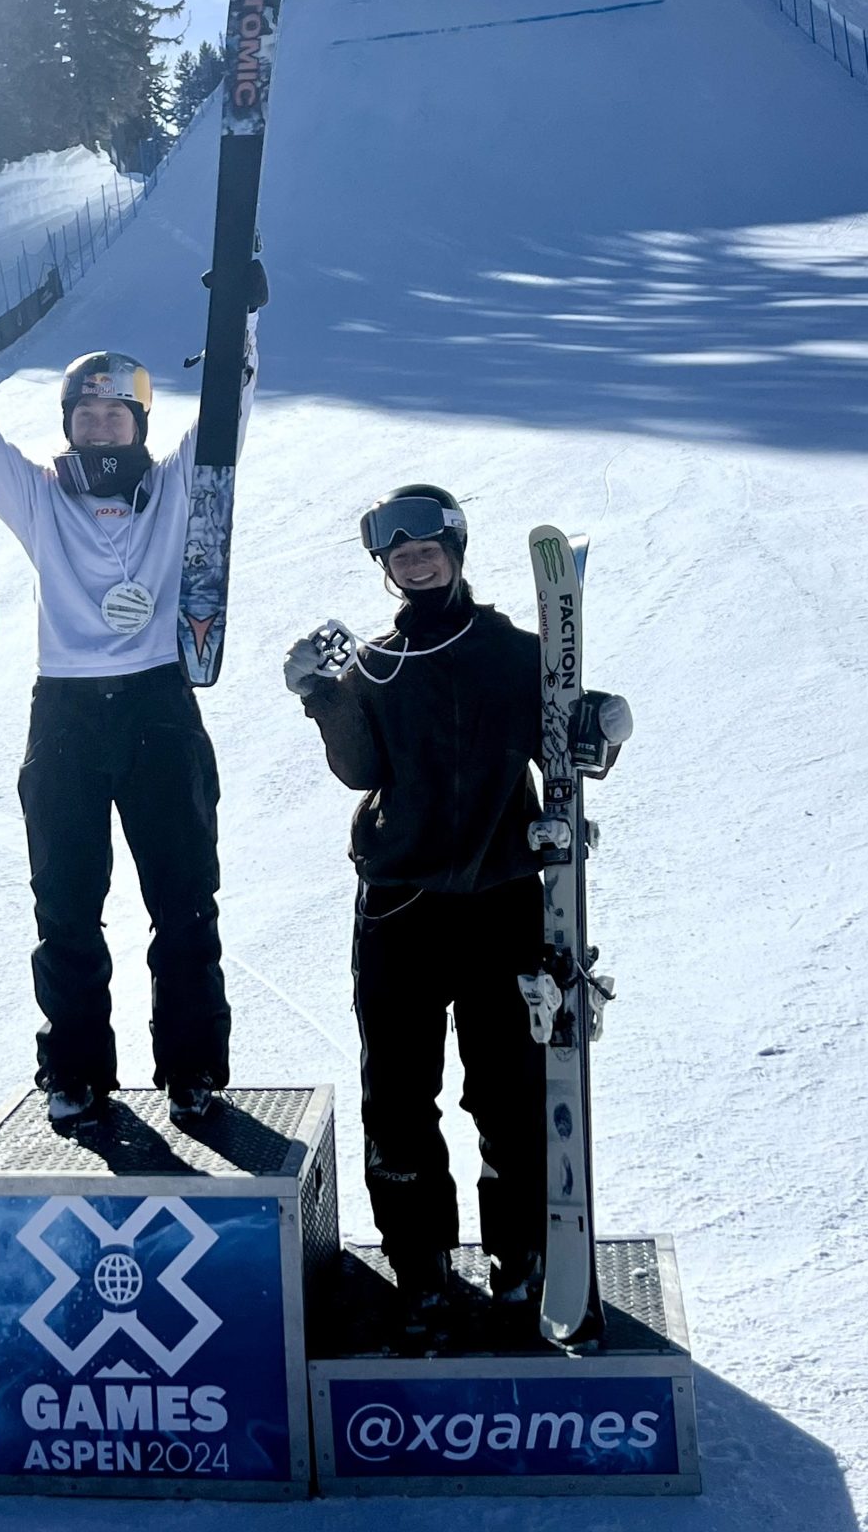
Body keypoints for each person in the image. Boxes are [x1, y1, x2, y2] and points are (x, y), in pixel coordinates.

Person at [283, 486, 631, 1336]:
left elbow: (566, 737)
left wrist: (604, 729)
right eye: (396, 550)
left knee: (507, 1095)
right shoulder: (376, 662)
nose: (413, 557)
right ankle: (423, 1268)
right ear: (385, 566)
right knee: (398, 1096)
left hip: (503, 902)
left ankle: (521, 1259)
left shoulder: (514, 652)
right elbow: (362, 770)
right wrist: (322, 697)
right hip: (400, 908)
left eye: (427, 543)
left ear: (457, 547)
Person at [0, 265, 267, 1129]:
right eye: (84, 417)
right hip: (69, 714)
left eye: (114, 415)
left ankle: (192, 1069)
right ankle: (75, 1071)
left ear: (139, 422)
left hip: (159, 703)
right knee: (66, 905)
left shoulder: (173, 492)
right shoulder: (43, 502)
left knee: (185, 899)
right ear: (71, 428)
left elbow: (228, 414)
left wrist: (239, 321)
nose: (99, 428)